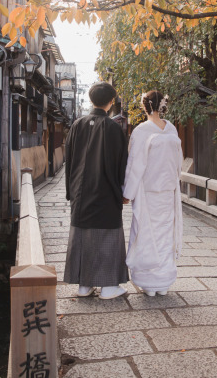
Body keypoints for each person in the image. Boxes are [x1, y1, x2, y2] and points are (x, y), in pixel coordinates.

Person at [63, 82, 130, 299]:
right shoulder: (113, 128)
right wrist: (124, 191)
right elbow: (122, 164)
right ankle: (109, 287)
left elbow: (69, 160)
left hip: (80, 191)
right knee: (107, 235)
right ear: (111, 102)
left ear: (92, 100)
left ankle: (84, 285)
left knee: (82, 235)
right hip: (105, 191)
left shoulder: (77, 125)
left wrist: (70, 191)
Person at [123, 90, 183, 296]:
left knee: (146, 234)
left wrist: (127, 193)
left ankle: (149, 284)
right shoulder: (172, 129)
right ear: (162, 105)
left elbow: (135, 165)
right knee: (165, 235)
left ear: (144, 106)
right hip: (168, 191)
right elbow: (178, 162)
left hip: (148, 192)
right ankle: (163, 283)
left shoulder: (141, 131)